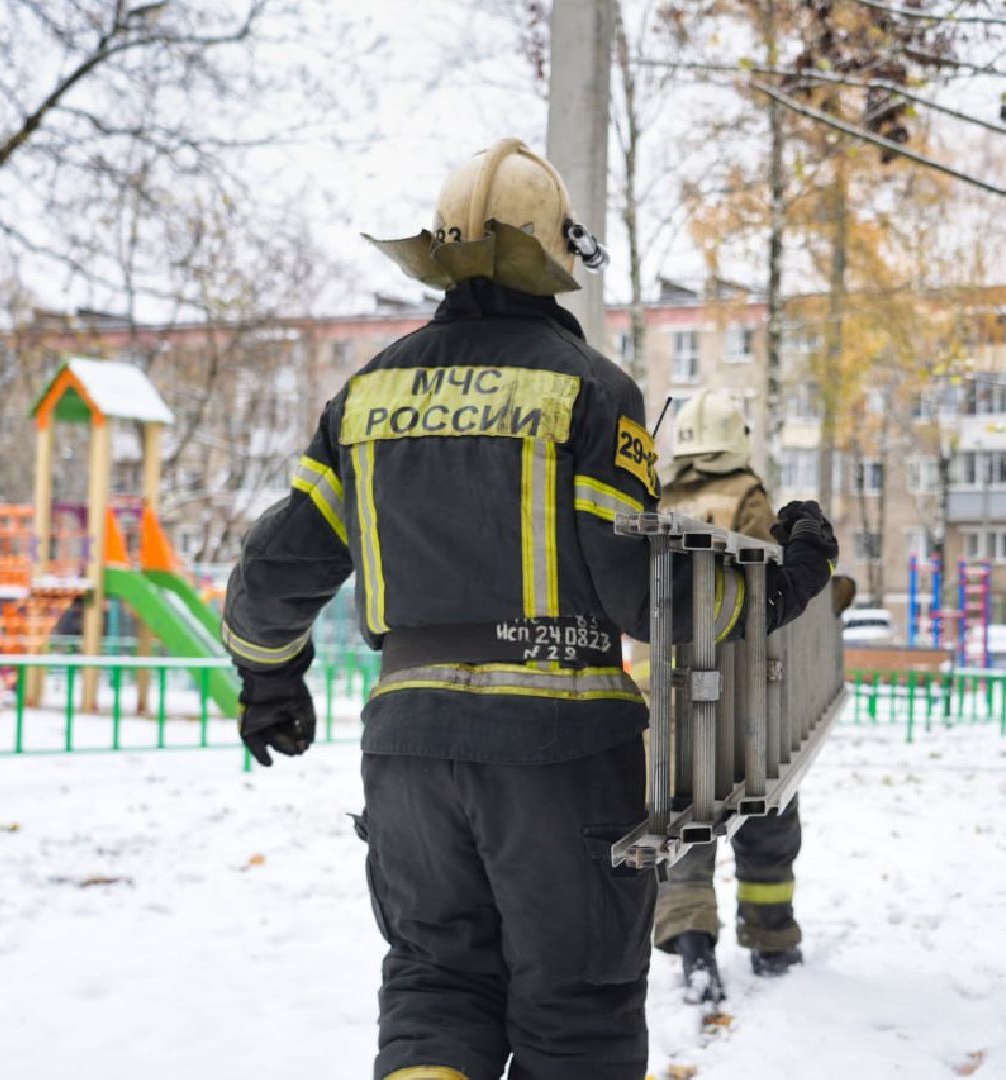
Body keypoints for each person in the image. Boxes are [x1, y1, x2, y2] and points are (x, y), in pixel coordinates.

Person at [218, 138, 838, 1080]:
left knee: (435, 988)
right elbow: (648, 591)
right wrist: (787, 579)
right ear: (554, 254)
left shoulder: (366, 396)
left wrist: (268, 680)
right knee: (575, 1012)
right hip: (560, 759)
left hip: (409, 750)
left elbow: (276, 566)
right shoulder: (589, 390)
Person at [644, 389, 809, 1004]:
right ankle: (772, 941)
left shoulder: (660, 498)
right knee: (766, 808)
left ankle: (692, 950)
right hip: (742, 687)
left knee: (686, 811)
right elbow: (768, 582)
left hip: (668, 688)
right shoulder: (746, 494)